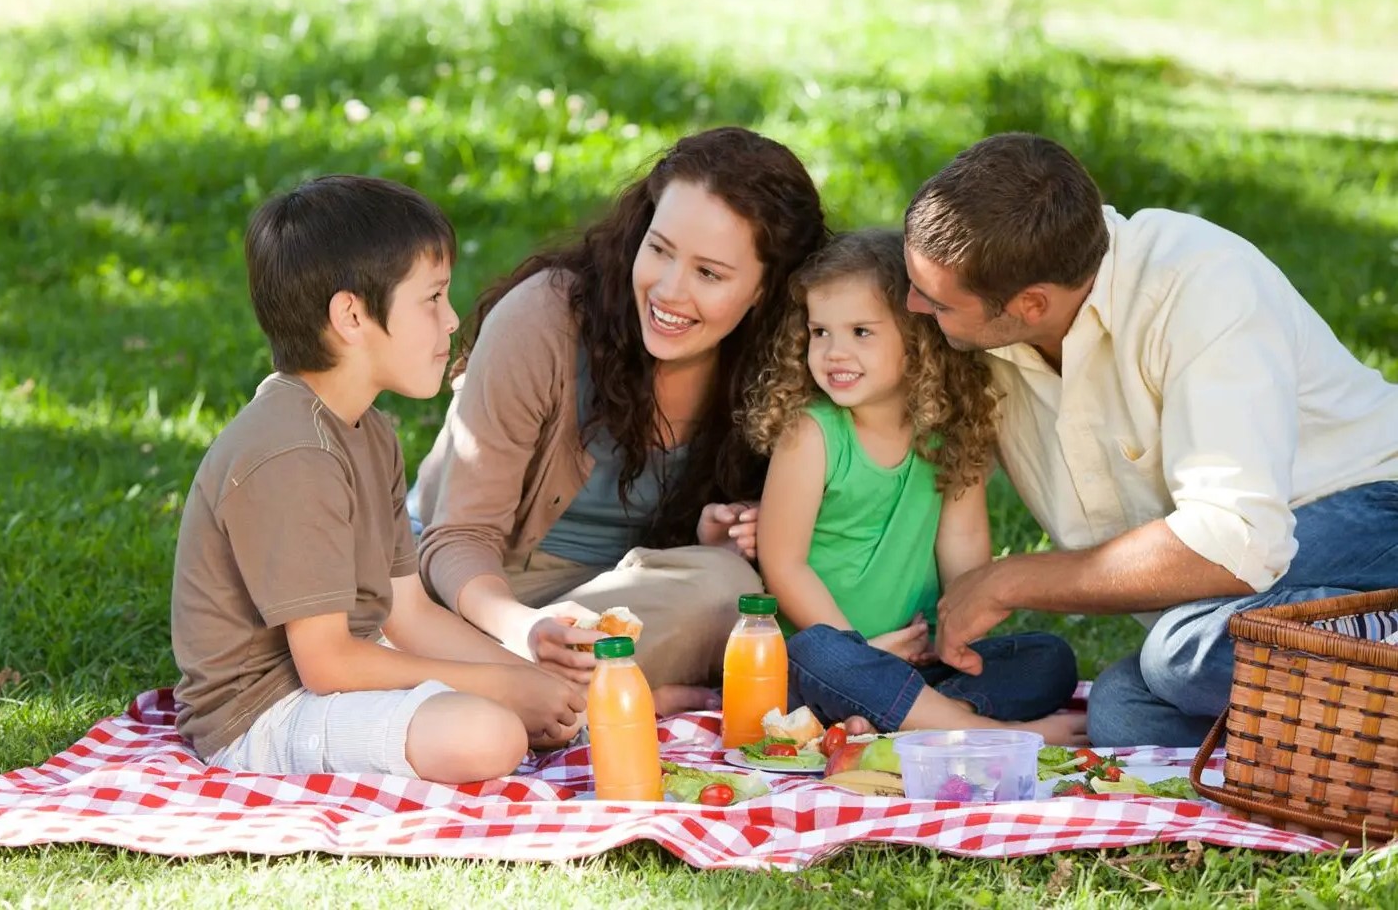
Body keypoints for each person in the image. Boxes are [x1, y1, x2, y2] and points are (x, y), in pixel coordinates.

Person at [901, 132, 1398, 747]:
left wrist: (1011, 579)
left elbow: (1236, 541)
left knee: (1182, 652)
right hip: (1238, 594)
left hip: (1373, 512)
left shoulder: (1202, 285)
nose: (912, 305)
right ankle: (1354, 721)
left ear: (1031, 303)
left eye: (938, 302)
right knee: (1126, 713)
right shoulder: (993, 329)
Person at [171, 175, 584, 782]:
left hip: (345, 671)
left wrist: (525, 677)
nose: (451, 321)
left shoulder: (369, 431)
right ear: (352, 315)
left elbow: (408, 612)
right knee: (489, 732)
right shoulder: (293, 452)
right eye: (432, 299)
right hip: (262, 712)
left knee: (532, 703)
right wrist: (500, 687)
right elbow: (327, 664)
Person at [412, 127, 829, 711]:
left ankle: (537, 697)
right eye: (659, 250)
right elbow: (456, 538)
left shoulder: (788, 365)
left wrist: (723, 534)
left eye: (709, 273)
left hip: (623, 607)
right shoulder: (543, 322)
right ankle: (612, 697)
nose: (668, 290)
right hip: (482, 592)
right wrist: (523, 630)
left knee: (728, 588)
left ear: (767, 288)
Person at [745, 229, 1085, 744]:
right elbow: (783, 565)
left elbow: (964, 547)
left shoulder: (950, 430)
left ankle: (920, 718)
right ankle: (990, 733)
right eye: (820, 332)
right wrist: (860, 649)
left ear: (917, 338)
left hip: (918, 662)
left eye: (861, 331)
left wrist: (959, 637)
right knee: (816, 653)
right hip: (829, 666)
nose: (834, 351)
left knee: (1048, 658)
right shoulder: (810, 433)